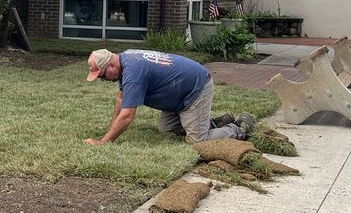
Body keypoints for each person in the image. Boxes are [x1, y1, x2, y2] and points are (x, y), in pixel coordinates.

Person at [84, 48, 257, 146]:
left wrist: (103, 142)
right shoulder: (127, 59)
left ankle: (238, 129)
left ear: (112, 65)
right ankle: (214, 123)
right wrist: (111, 129)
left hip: (195, 88)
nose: (103, 80)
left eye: (102, 76)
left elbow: (128, 116)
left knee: (198, 141)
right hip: (178, 93)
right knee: (166, 129)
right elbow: (121, 100)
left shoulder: (133, 72)